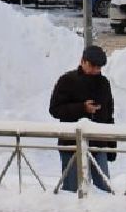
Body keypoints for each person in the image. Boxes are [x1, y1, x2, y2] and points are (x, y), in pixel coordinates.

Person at [49, 44, 114, 193]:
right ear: (82, 61)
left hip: (98, 144)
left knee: (105, 188)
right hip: (71, 144)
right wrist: (82, 108)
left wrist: (111, 146)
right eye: (92, 66)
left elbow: (109, 114)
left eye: (99, 67)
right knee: (73, 190)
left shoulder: (104, 83)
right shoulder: (67, 81)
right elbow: (55, 109)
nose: (95, 70)